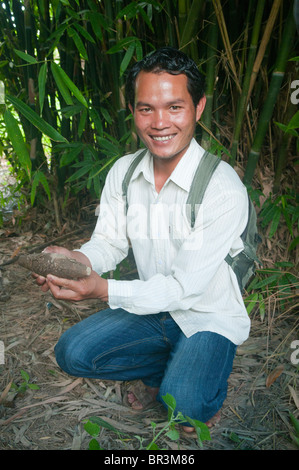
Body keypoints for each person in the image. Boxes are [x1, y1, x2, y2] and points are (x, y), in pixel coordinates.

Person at [35, 47, 250, 432]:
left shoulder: (222, 188)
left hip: (207, 316)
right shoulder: (124, 170)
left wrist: (102, 290)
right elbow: (110, 244)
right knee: (73, 353)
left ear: (198, 108)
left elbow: (185, 289)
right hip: (153, 308)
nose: (159, 122)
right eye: (146, 108)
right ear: (132, 111)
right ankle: (170, 363)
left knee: (183, 409)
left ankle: (199, 377)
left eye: (174, 107)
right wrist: (75, 259)